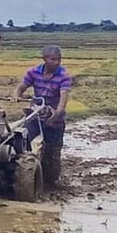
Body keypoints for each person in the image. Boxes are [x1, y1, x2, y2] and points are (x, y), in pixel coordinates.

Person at [10, 45, 72, 185]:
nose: (57, 62)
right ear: (44, 59)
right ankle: (29, 179)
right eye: (53, 59)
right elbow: (20, 88)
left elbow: (62, 102)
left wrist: (55, 116)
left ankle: (52, 181)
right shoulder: (33, 72)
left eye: (59, 59)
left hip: (55, 118)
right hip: (35, 116)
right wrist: (16, 95)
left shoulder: (64, 76)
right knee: (27, 149)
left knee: (53, 154)